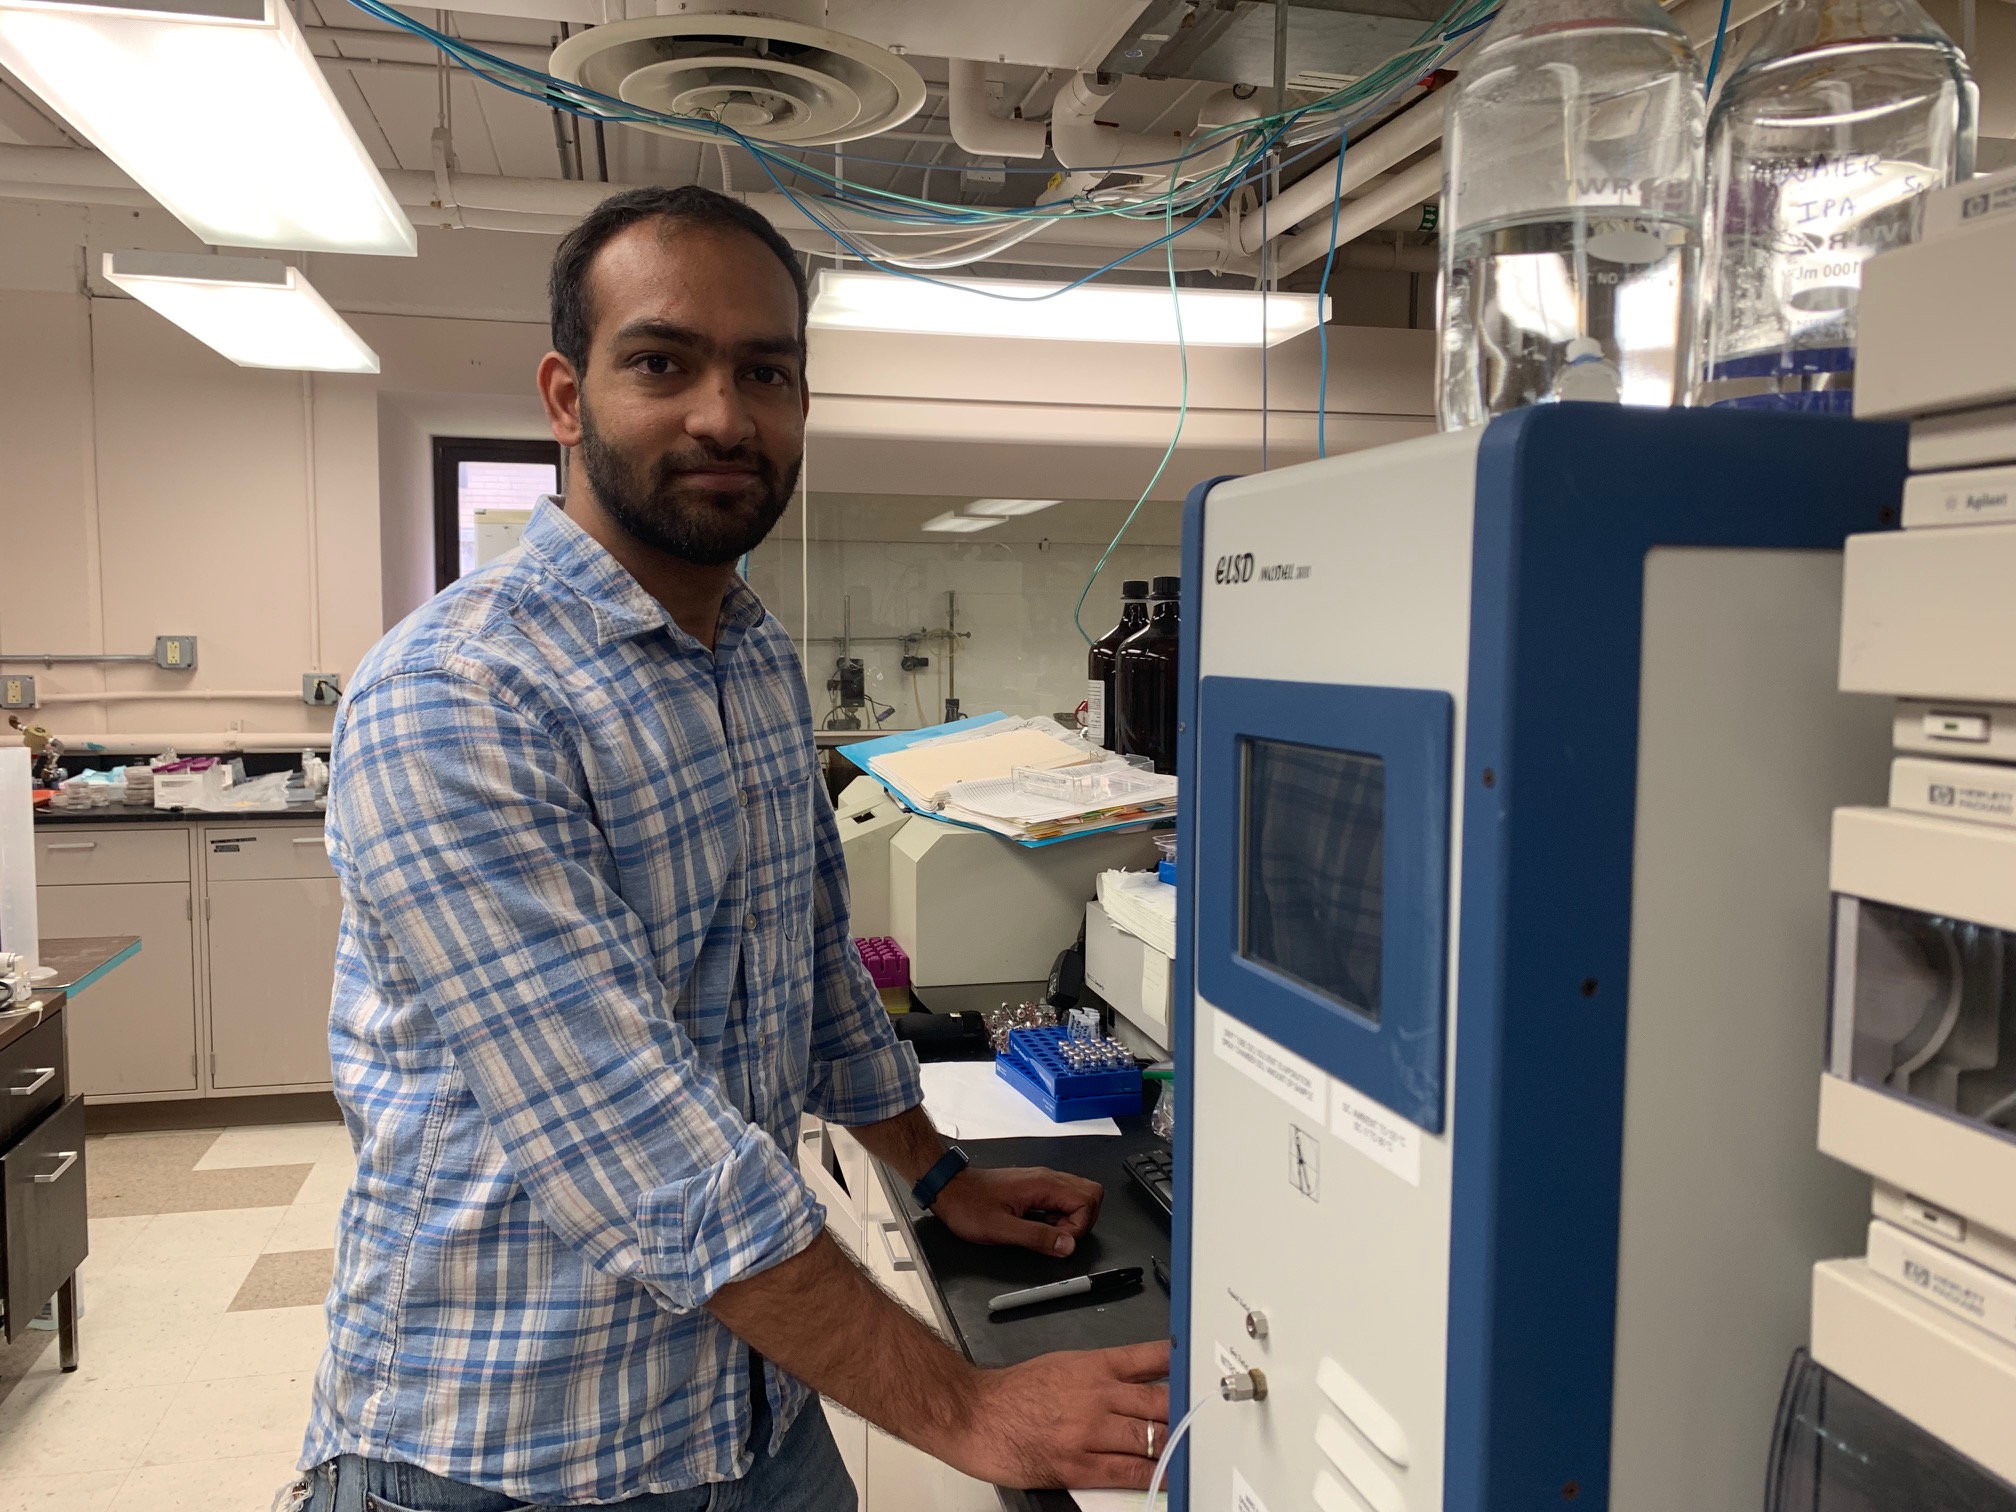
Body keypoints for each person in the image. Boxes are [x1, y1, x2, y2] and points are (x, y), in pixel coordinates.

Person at [285, 185, 1169, 1512]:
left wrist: (935, 1174)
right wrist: (972, 1410)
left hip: (750, 1407)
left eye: (767, 371)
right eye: (662, 361)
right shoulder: (458, 698)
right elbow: (635, 1149)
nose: (724, 413)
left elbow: (807, 973)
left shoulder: (743, 653)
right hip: (513, 1450)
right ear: (566, 397)